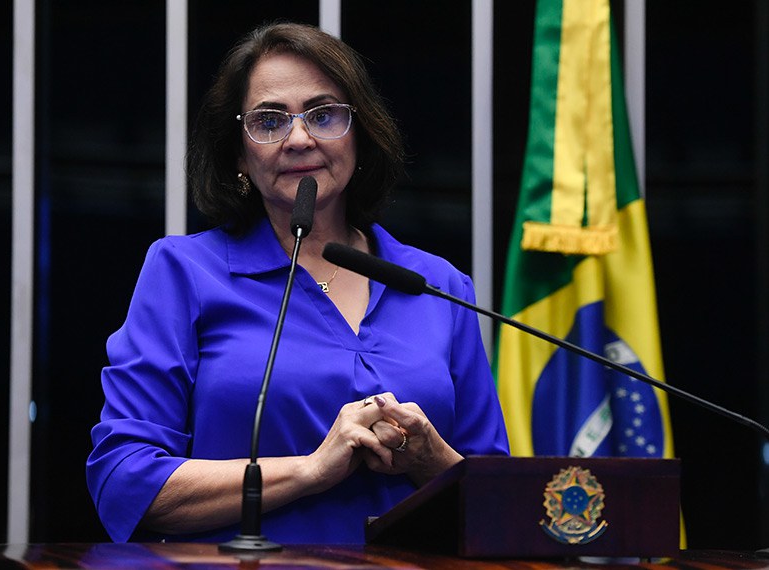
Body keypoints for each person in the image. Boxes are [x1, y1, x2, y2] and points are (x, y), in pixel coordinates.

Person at [86, 21, 509, 545]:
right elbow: (124, 480)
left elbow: (499, 503)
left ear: (360, 134)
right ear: (239, 154)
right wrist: (309, 470)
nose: (300, 138)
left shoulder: (436, 285)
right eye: (269, 121)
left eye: (324, 114)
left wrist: (431, 458)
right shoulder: (184, 271)